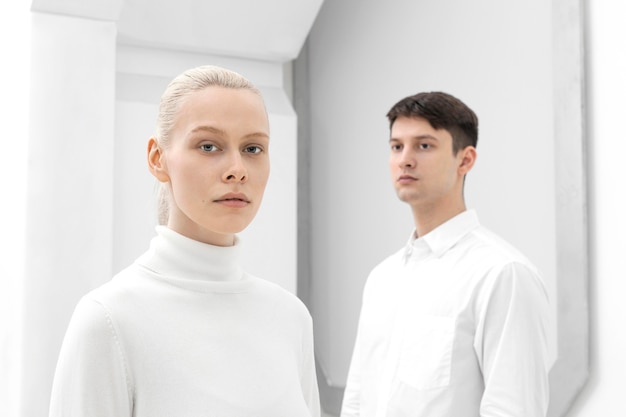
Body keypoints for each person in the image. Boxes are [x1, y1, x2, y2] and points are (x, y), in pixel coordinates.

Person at [49, 65, 320, 417]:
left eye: (253, 148)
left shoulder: (290, 318)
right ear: (157, 158)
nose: (237, 169)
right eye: (209, 146)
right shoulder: (109, 320)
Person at [340, 92, 553, 417]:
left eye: (423, 145)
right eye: (397, 146)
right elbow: (357, 399)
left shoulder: (502, 274)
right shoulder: (382, 278)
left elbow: (514, 410)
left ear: (465, 160)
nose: (405, 159)